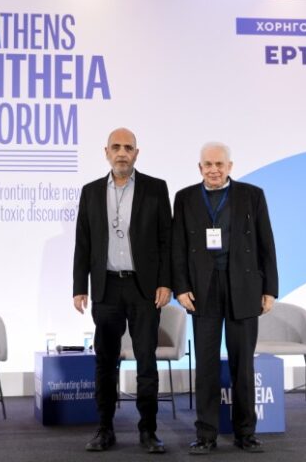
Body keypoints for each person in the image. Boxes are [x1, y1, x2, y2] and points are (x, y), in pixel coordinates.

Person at [172, 142, 278, 454]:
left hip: (243, 288)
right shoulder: (185, 198)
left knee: (242, 365)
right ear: (200, 168)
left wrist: (269, 289)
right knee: (205, 365)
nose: (214, 170)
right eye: (208, 164)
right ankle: (206, 435)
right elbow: (178, 247)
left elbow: (266, 243)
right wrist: (180, 288)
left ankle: (246, 433)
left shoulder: (252, 195)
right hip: (202, 291)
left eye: (219, 164)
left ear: (230, 166)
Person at [73, 127, 172, 454]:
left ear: (136, 153)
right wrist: (79, 286)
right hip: (106, 288)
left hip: (144, 289)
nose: (122, 153)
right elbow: (83, 242)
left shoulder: (156, 188)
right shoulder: (90, 192)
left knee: (146, 362)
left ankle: (148, 431)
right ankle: (104, 429)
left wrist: (166, 281)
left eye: (128, 148)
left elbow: (166, 240)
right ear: (106, 152)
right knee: (105, 362)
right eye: (116, 147)